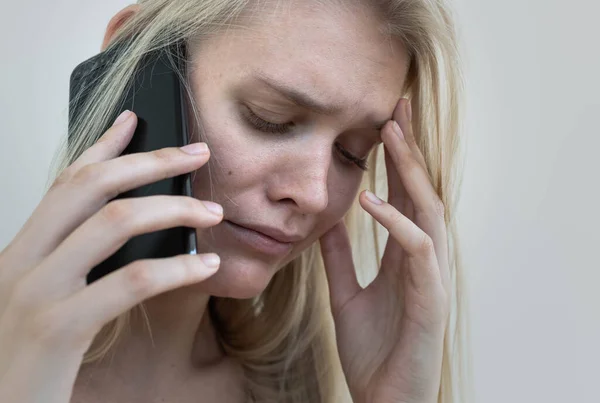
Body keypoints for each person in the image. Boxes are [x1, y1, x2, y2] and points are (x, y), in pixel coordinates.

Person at [0, 1, 467, 402]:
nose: (314, 194)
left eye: (352, 153)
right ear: (138, 60)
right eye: (270, 118)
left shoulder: (291, 390)